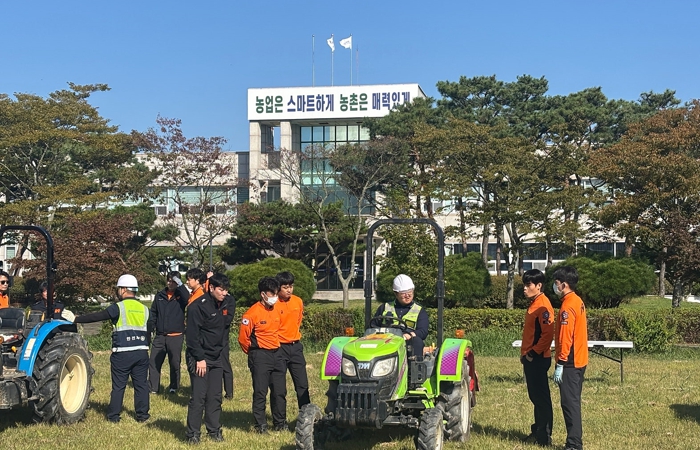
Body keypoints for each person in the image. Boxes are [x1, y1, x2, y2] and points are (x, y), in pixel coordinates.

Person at [73, 274, 150, 423]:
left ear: (123, 289)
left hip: (122, 353)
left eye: (119, 289)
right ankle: (142, 415)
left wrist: (76, 319)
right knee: (141, 385)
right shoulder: (145, 309)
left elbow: (98, 316)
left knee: (119, 386)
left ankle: (114, 416)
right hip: (141, 352)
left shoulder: (118, 307)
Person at [185, 272, 232, 444]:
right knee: (199, 397)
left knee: (215, 396)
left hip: (216, 356)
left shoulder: (224, 303)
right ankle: (193, 434)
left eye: (226, 290)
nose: (224, 293)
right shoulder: (197, 307)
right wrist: (200, 358)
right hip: (200, 357)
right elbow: (192, 337)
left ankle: (214, 430)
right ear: (211, 288)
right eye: (221, 289)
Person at [238, 276, 286, 434]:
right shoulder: (251, 314)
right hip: (260, 355)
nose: (275, 297)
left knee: (279, 391)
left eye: (276, 293)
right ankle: (261, 425)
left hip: (277, 353)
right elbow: (243, 339)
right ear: (263, 294)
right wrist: (254, 353)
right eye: (272, 294)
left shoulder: (277, 309)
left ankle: (280, 423)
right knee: (260, 392)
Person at [552, 266, 588, 450]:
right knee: (573, 401)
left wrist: (560, 363)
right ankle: (574, 441)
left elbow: (566, 338)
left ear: (564, 284)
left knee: (569, 403)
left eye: (556, 283)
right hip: (580, 359)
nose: (555, 287)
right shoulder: (577, 300)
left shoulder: (567, 306)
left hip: (570, 362)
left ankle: (574, 444)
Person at [270, 271, 310, 430]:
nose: (289, 290)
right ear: (278, 288)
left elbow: (298, 320)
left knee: (302, 385)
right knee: (278, 388)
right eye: (285, 287)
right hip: (278, 348)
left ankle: (306, 420)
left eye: (291, 286)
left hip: (295, 347)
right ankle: (279, 423)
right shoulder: (273, 303)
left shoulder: (298, 301)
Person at [520, 269, 554, 447]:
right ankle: (538, 430)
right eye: (524, 285)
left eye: (528, 285)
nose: (525, 289)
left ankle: (544, 436)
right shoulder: (534, 303)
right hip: (530, 357)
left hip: (538, 358)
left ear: (539, 285)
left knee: (541, 398)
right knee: (535, 397)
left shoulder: (543, 306)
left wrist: (533, 353)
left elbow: (547, 335)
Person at [148, 271, 190, 394]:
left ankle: (174, 387)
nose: (170, 283)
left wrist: (180, 284)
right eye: (169, 280)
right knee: (154, 362)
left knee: (174, 363)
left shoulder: (181, 296)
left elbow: (187, 298)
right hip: (160, 336)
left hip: (176, 336)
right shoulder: (160, 295)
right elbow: (153, 312)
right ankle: (153, 388)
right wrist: (152, 328)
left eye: (173, 281)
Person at [370, 274, 429, 358]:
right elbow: (373, 326)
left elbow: (423, 331)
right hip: (385, 341)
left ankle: (414, 365)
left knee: (417, 342)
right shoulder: (384, 308)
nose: (407, 295)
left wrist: (410, 335)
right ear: (396, 293)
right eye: (403, 293)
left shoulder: (419, 310)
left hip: (407, 341)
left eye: (410, 291)